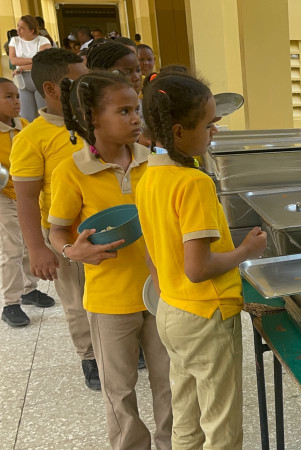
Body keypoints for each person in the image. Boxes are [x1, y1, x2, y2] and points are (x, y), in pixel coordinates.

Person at [137, 73, 266, 448]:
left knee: (187, 417)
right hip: (207, 316)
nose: (215, 131)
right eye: (209, 124)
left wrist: (169, 295)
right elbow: (198, 268)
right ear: (178, 132)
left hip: (172, 312)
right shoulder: (193, 184)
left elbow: (152, 252)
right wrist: (245, 251)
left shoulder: (148, 176)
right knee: (221, 425)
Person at [48, 71, 172, 449]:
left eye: (137, 109)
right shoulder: (72, 170)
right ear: (92, 119)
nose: (136, 118)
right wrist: (72, 251)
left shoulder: (154, 162)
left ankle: (173, 443)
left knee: (170, 382)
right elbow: (56, 230)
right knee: (119, 391)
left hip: (160, 292)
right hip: (109, 301)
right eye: (124, 111)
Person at [9, 48, 99, 390]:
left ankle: (121, 344)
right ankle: (90, 356)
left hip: (108, 226)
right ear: (50, 89)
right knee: (77, 300)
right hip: (66, 234)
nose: (86, 90)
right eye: (78, 83)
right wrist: (37, 248)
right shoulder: (33, 138)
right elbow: (27, 199)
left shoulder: (95, 121)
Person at [0, 78, 55, 328]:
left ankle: (28, 289)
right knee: (11, 249)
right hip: (3, 198)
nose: (16, 101)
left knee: (25, 245)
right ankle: (10, 303)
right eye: (8, 97)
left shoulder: (22, 125)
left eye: (16, 96)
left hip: (23, 195)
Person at [8, 15, 52, 121]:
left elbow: (43, 63)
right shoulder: (14, 40)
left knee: (42, 114)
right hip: (23, 80)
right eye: (18, 26)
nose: (18, 29)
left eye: (22, 28)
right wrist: (35, 60)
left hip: (39, 77)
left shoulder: (43, 41)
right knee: (26, 116)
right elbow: (13, 60)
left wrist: (22, 67)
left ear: (31, 30)